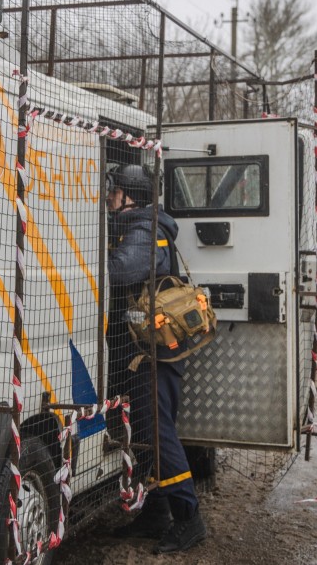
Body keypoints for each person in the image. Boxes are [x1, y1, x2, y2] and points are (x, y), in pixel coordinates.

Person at [105, 163, 206, 554]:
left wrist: (90, 255)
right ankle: (156, 512)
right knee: (146, 432)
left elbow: (122, 268)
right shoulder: (144, 224)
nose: (109, 198)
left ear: (129, 194)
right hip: (144, 352)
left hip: (153, 356)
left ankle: (188, 518)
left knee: (158, 434)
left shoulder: (145, 229)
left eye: (114, 191)